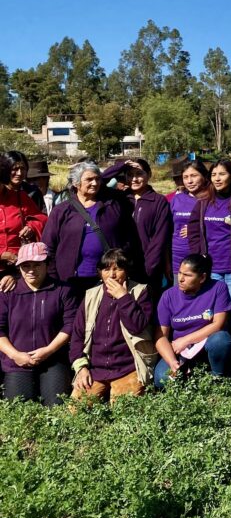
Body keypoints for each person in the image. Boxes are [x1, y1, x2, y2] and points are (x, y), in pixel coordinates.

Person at [187, 160, 231, 353]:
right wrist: (197, 256)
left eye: (222, 174)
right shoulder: (202, 203)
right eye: (214, 174)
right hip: (210, 270)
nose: (217, 178)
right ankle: (215, 354)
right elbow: (193, 231)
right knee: (211, 316)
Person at [70, 248, 156, 403]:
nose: (112, 275)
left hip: (128, 368)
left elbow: (137, 326)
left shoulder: (140, 292)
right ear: (100, 273)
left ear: (127, 271)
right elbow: (77, 335)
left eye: (118, 269)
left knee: (124, 413)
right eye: (106, 269)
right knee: (75, 410)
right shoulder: (91, 295)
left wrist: (123, 297)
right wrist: (81, 368)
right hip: (96, 369)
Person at [43, 160, 139, 297]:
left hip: (107, 277)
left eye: (97, 179)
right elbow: (48, 246)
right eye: (89, 179)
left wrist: (120, 167)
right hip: (70, 280)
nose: (95, 183)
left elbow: (129, 236)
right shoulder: (62, 210)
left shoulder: (111, 203)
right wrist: (54, 276)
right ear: (76, 183)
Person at [0, 243, 76, 405]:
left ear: (47, 264)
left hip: (53, 360)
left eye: (37, 265)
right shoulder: (8, 293)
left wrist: (48, 351)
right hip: (18, 362)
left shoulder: (62, 290)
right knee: (18, 409)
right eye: (25, 266)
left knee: (57, 406)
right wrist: (15, 355)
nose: (31, 270)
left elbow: (70, 325)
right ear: (19, 267)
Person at [153, 254, 231, 387]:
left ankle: (217, 378)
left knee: (221, 340)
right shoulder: (168, 296)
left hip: (206, 345)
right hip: (180, 351)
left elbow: (218, 324)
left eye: (187, 275)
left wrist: (186, 340)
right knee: (162, 379)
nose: (181, 279)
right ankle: (188, 376)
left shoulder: (218, 288)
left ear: (202, 277)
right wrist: (173, 362)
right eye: (179, 273)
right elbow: (160, 336)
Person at [115, 158, 172, 298]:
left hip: (148, 267)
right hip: (121, 265)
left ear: (149, 174)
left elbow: (160, 238)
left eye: (139, 174)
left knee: (147, 308)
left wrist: (150, 267)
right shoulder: (119, 199)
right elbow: (100, 182)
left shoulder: (159, 201)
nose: (134, 179)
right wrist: (121, 166)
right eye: (130, 174)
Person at [1, 155, 46, 281]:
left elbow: (42, 218)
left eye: (23, 169)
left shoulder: (20, 197)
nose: (19, 173)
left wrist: (31, 226)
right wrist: (2, 255)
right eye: (15, 169)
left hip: (17, 268)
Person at [170, 160, 211, 281]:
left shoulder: (211, 199)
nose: (189, 181)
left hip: (202, 257)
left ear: (204, 176)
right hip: (178, 257)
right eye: (185, 177)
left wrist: (197, 229)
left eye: (194, 176)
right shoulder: (177, 199)